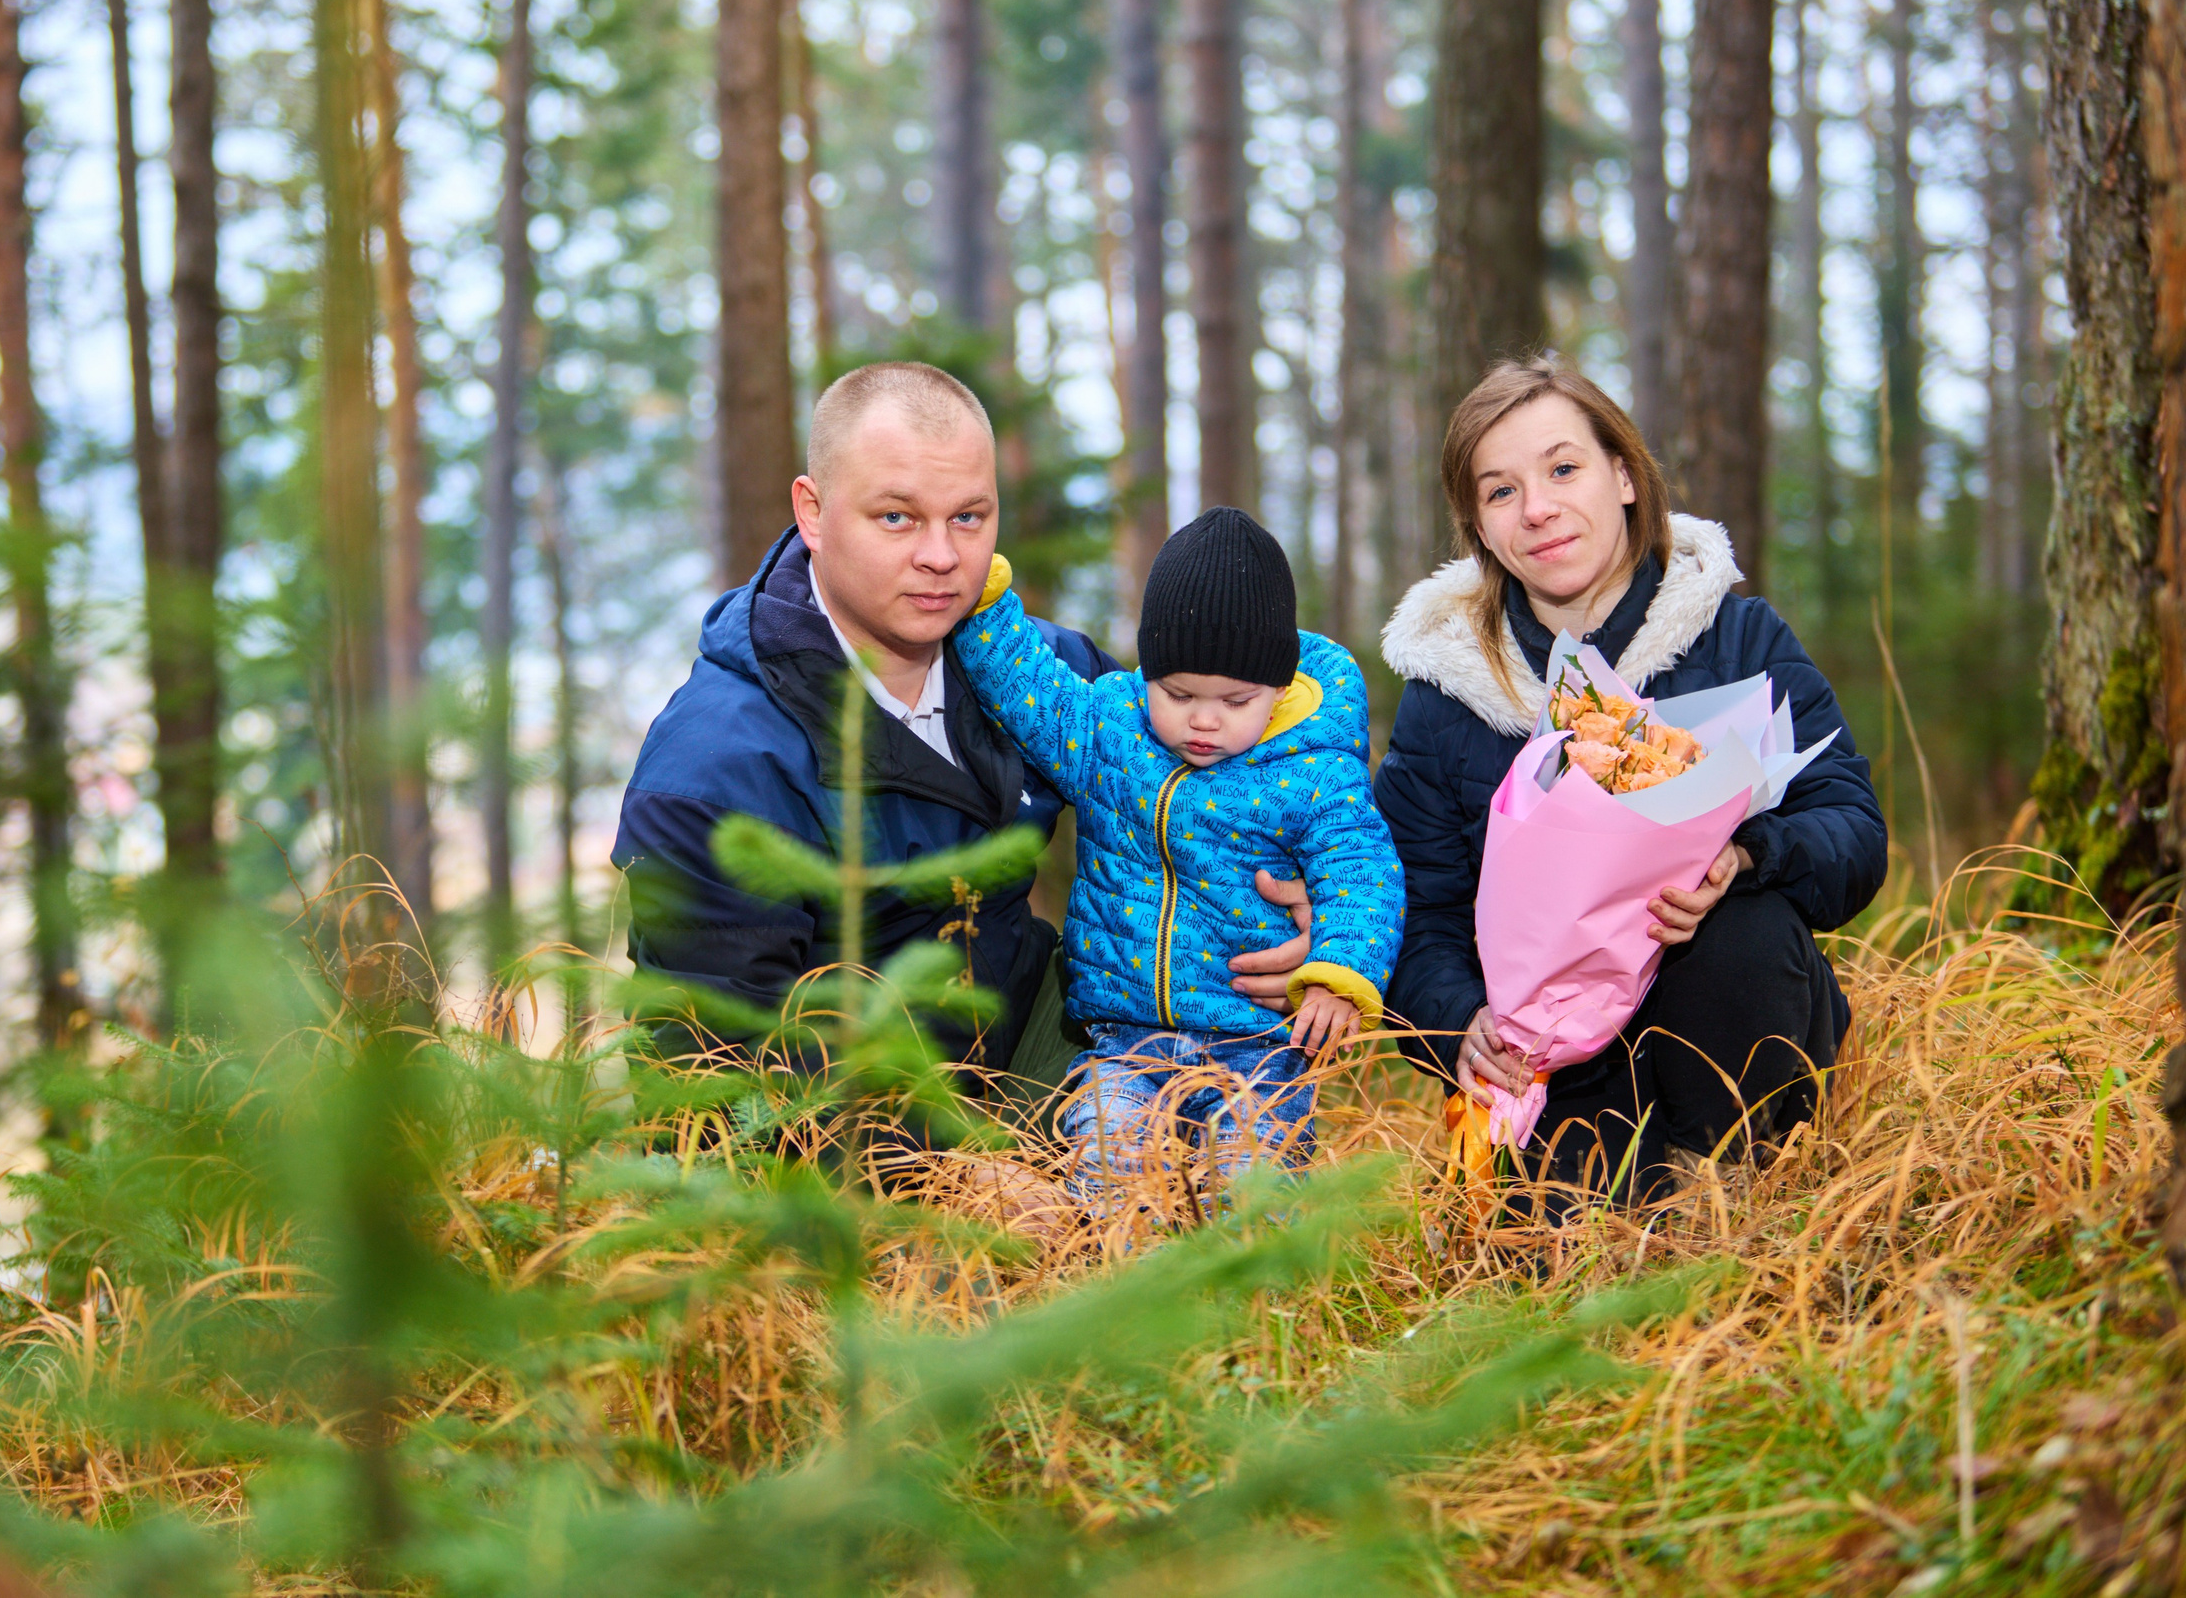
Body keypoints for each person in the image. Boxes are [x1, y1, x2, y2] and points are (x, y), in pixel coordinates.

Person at [613, 363, 1320, 1103]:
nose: (942, 557)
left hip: (1035, 1044)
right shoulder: (714, 771)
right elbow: (716, 1093)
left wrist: (1304, 912)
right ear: (812, 511)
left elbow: (1221, 767)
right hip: (841, 1127)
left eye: (968, 517)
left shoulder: (1043, 677)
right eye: (897, 517)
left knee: (1225, 1115)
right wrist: (970, 1180)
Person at [1373, 354, 1886, 1197]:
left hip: (1730, 1034)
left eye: (1563, 468)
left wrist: (1750, 853)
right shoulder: (1449, 696)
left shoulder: (1737, 639)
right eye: (1501, 491)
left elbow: (1855, 833)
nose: (1537, 509)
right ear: (1479, 524)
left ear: (1623, 476)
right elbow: (1416, 909)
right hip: (1555, 1067)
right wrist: (1456, 1020)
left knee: (1744, 934)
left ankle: (1750, 1199)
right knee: (1563, 1256)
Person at [951, 507, 1404, 1203]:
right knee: (1108, 1157)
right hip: (1124, 1041)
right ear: (1147, 675)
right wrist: (985, 602)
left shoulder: (1313, 768)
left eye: (1234, 699)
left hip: (1258, 1046)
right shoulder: (1112, 732)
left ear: (1279, 690)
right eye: (1179, 693)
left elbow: (1361, 869)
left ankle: (1260, 1301)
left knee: (1252, 1176)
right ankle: (1122, 1294)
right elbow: (1030, 690)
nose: (1203, 719)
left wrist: (1341, 968)